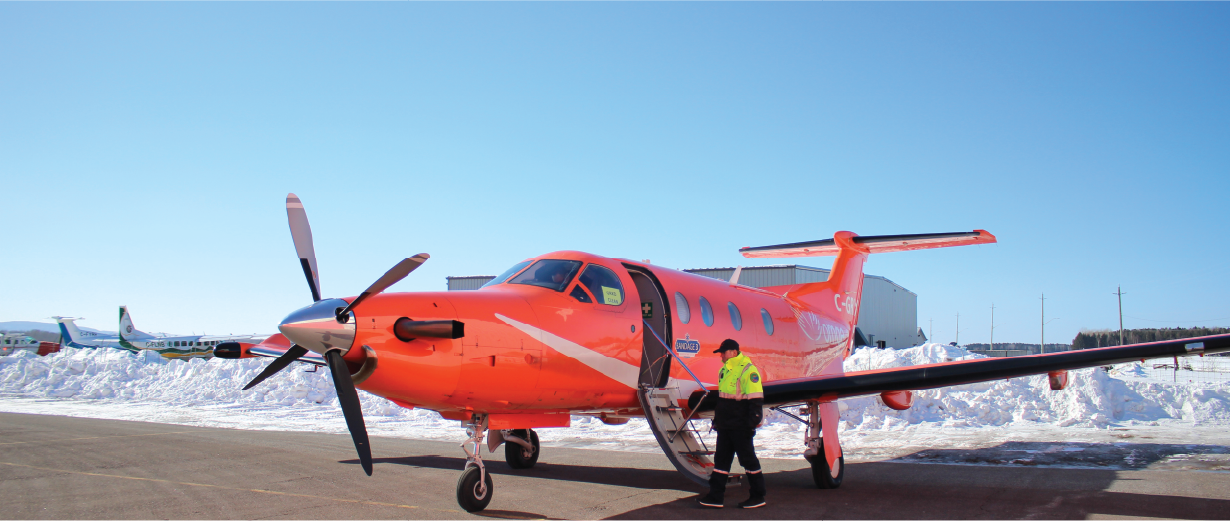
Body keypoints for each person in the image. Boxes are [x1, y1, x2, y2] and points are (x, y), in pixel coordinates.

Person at [698, 338, 766, 509]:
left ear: (734, 352)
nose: (721, 356)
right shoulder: (724, 371)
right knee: (721, 460)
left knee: (748, 460)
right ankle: (715, 496)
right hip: (726, 425)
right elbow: (723, 400)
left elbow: (756, 399)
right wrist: (718, 420)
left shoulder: (749, 371)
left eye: (723, 352)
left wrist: (751, 423)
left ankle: (758, 496)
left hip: (740, 426)